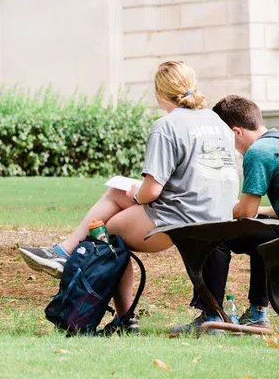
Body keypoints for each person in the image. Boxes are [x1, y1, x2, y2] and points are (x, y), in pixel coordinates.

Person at [19, 61, 240, 334]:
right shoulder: (217, 122)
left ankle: (125, 318)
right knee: (114, 194)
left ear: (160, 92)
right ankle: (62, 251)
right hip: (219, 215)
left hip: (180, 219)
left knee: (106, 238)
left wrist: (137, 191)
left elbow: (152, 192)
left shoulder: (166, 126)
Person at [174, 95, 279, 334]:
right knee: (262, 233)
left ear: (237, 131)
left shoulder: (259, 152)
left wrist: (216, 207)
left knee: (213, 234)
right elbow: (270, 211)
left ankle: (212, 315)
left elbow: (246, 212)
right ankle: (257, 313)